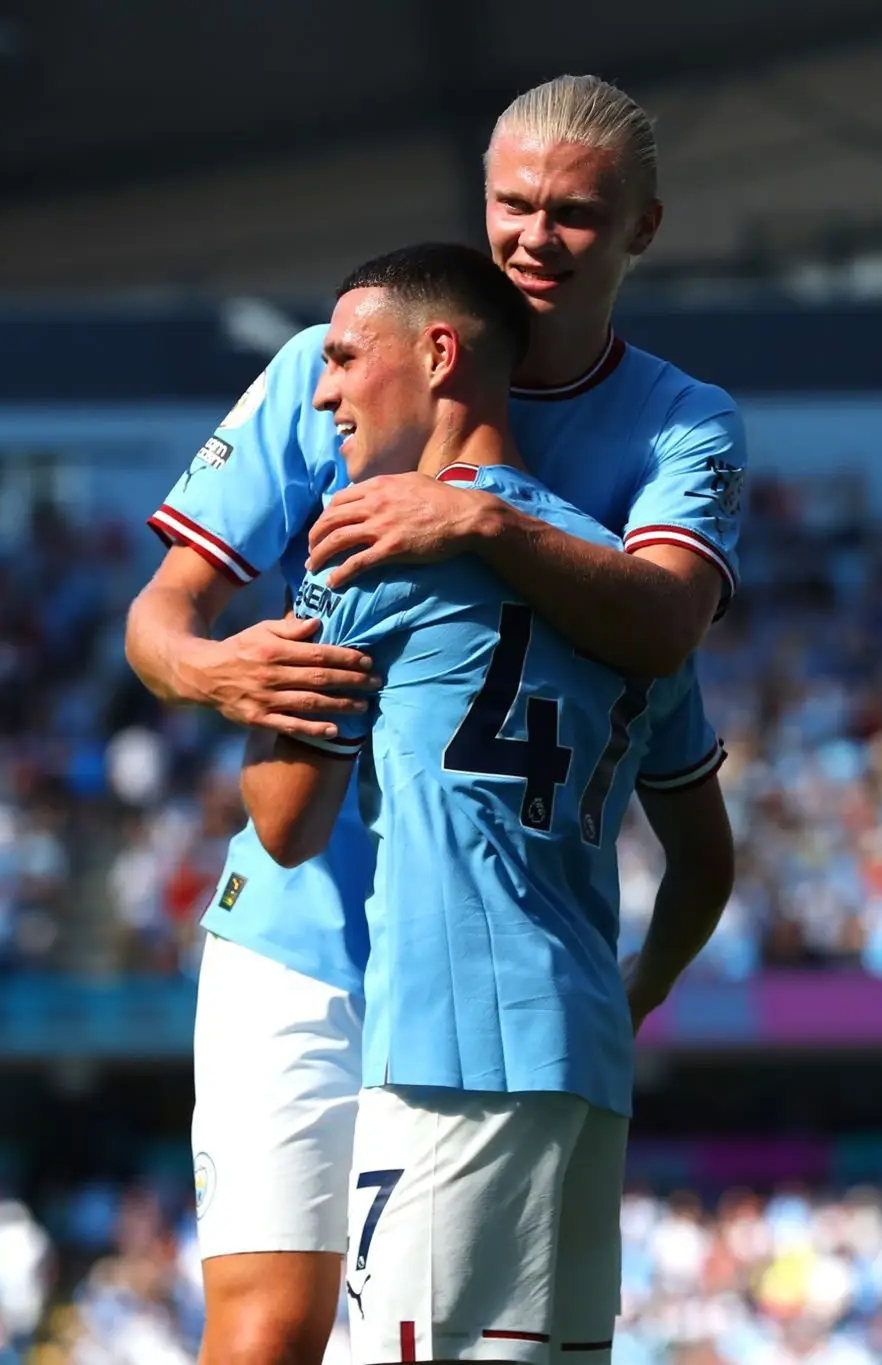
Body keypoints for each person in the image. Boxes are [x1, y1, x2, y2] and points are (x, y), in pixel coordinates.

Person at [124, 75, 744, 1365]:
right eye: (510, 203)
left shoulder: (681, 425)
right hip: (306, 932)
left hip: (481, 947)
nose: (530, 236)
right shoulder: (335, 359)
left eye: (572, 213)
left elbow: (665, 624)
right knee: (267, 1335)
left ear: (642, 228)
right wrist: (219, 675)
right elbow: (161, 620)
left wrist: (477, 518)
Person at [240, 241, 735, 1362]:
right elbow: (704, 859)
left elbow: (284, 823)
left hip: (441, 1054)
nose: (322, 390)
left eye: (342, 358)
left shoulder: (367, 544)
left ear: (439, 353)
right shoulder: (629, 586)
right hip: (582, 1063)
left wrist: (261, 674)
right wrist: (638, 992)